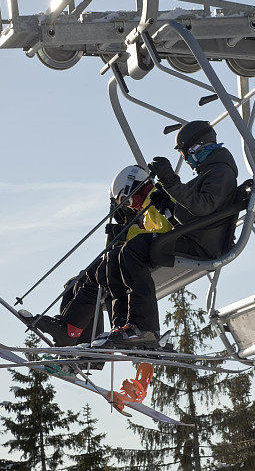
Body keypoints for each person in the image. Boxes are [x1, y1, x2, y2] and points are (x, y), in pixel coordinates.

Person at [94, 120, 239, 349]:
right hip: (196, 236)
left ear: (197, 147)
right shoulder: (210, 172)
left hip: (204, 244)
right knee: (117, 255)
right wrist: (168, 207)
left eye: (185, 153)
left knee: (134, 249)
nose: (186, 159)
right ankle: (124, 325)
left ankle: (144, 328)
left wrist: (170, 181)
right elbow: (191, 217)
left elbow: (202, 207)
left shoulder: (220, 171)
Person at [35, 165, 172, 347]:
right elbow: (148, 234)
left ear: (136, 187)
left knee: (107, 268)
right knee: (90, 274)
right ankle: (73, 328)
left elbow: (164, 231)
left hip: (161, 250)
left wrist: (126, 232)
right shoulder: (146, 210)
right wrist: (125, 228)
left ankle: (74, 330)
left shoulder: (157, 198)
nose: (130, 205)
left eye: (127, 200)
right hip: (142, 253)